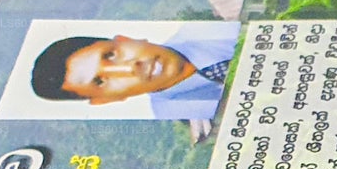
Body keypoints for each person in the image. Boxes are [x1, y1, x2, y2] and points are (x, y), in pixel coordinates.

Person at [28, 28, 238, 120]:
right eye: (100, 81)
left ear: (125, 39)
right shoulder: (177, 117)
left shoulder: (216, 27)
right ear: (106, 100)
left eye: (111, 55)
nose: (130, 68)